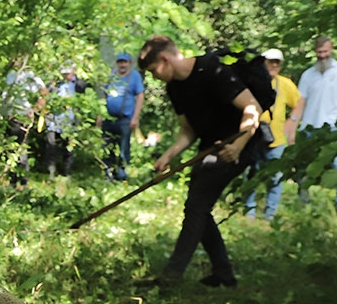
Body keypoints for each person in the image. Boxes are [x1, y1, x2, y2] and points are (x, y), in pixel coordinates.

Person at [138, 35, 267, 288]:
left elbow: (252, 108)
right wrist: (168, 155)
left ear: (165, 59)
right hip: (210, 146)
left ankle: (171, 277)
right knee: (198, 207)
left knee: (196, 205)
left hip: (242, 142)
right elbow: (188, 131)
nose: (154, 77)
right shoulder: (175, 87)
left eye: (153, 70)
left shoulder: (212, 69)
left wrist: (238, 146)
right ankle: (224, 275)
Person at [287, 36, 337, 218]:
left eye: (325, 52)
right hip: (310, 126)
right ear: (314, 52)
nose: (323, 56)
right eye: (319, 53)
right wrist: (292, 126)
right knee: (303, 166)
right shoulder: (308, 75)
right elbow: (300, 102)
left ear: (331, 49)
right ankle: (303, 203)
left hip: (335, 127)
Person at [244, 48, 302, 221]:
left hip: (277, 139)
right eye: (271, 62)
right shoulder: (252, 81)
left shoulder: (285, 84)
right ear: (263, 63)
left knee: (275, 177)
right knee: (250, 173)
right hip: (253, 136)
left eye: (277, 62)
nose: (274, 65)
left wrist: (292, 122)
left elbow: (299, 104)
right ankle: (249, 210)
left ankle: (270, 213)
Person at [97, 52, 144, 181]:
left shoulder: (134, 76)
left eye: (125, 62)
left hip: (125, 119)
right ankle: (108, 173)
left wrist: (135, 117)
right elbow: (104, 96)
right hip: (109, 119)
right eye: (120, 62)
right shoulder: (112, 76)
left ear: (129, 63)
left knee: (124, 147)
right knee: (107, 146)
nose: (122, 65)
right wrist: (100, 115)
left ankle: (121, 174)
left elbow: (140, 96)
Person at [0, 63, 46, 187]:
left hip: (22, 118)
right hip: (9, 117)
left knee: (20, 149)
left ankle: (23, 180)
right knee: (10, 149)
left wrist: (34, 110)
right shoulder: (10, 75)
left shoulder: (29, 76)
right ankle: (12, 180)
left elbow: (44, 92)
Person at [45, 63, 83, 178]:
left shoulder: (80, 84)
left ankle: (66, 171)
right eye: (64, 74)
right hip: (54, 120)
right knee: (50, 146)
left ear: (74, 71)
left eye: (68, 73)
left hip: (70, 120)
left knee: (69, 147)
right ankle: (50, 171)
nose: (66, 76)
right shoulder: (54, 84)